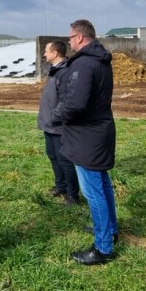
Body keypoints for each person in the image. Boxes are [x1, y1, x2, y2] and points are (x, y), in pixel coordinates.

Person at [54, 19, 119, 265]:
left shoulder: (84, 64)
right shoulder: (101, 60)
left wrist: (58, 113)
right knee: (103, 185)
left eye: (70, 37)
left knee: (93, 191)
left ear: (80, 37)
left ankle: (102, 248)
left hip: (87, 136)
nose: (69, 41)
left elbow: (76, 103)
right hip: (99, 130)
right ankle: (110, 231)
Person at [37, 40, 81, 206]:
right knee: (53, 156)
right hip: (50, 125)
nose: (44, 54)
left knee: (65, 160)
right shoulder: (55, 71)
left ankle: (72, 195)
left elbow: (65, 100)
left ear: (55, 53)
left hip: (59, 126)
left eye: (47, 51)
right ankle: (61, 187)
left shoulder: (64, 72)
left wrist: (54, 117)